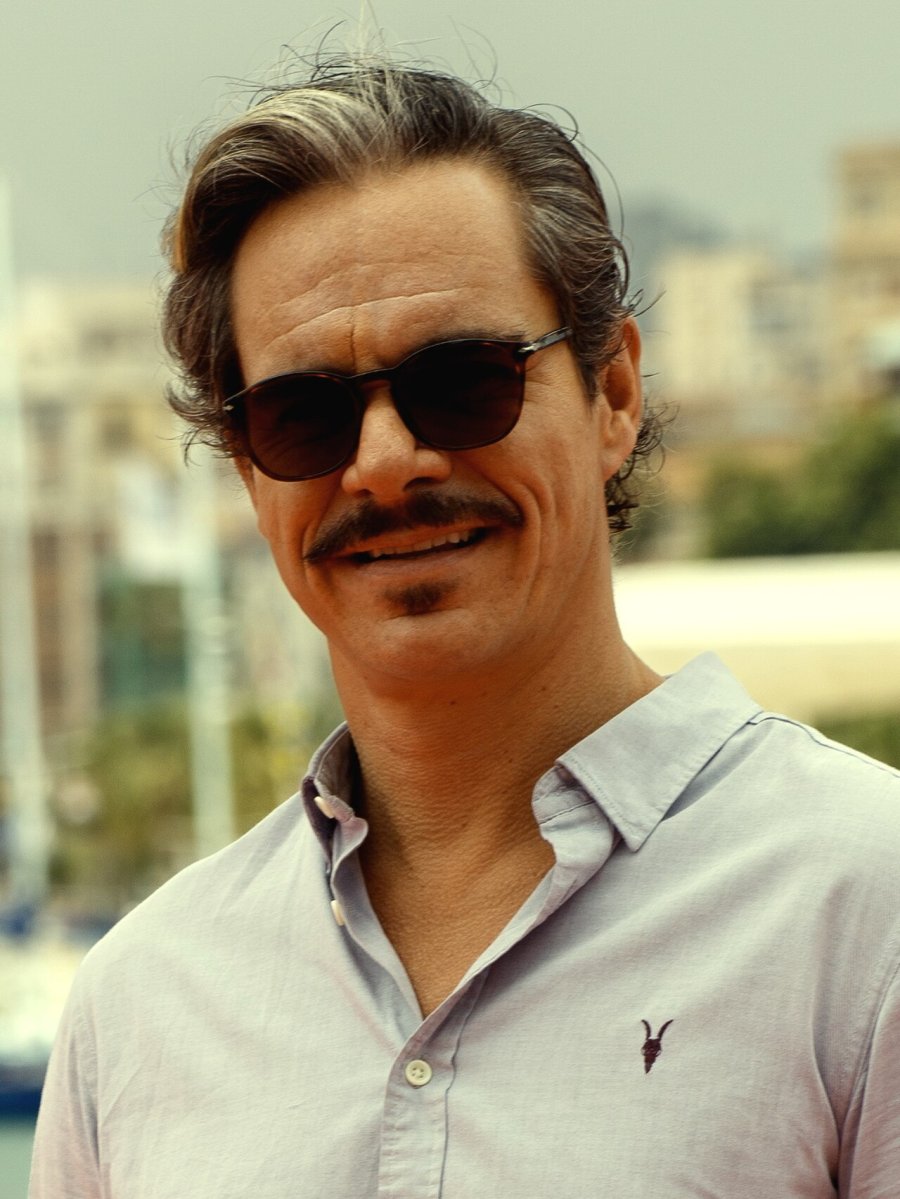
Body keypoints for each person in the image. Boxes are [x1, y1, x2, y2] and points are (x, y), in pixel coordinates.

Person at [30, 55, 900, 1198]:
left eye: (461, 381)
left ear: (613, 395)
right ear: (247, 471)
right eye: (304, 414)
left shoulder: (864, 909)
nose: (386, 461)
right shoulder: (139, 1008)